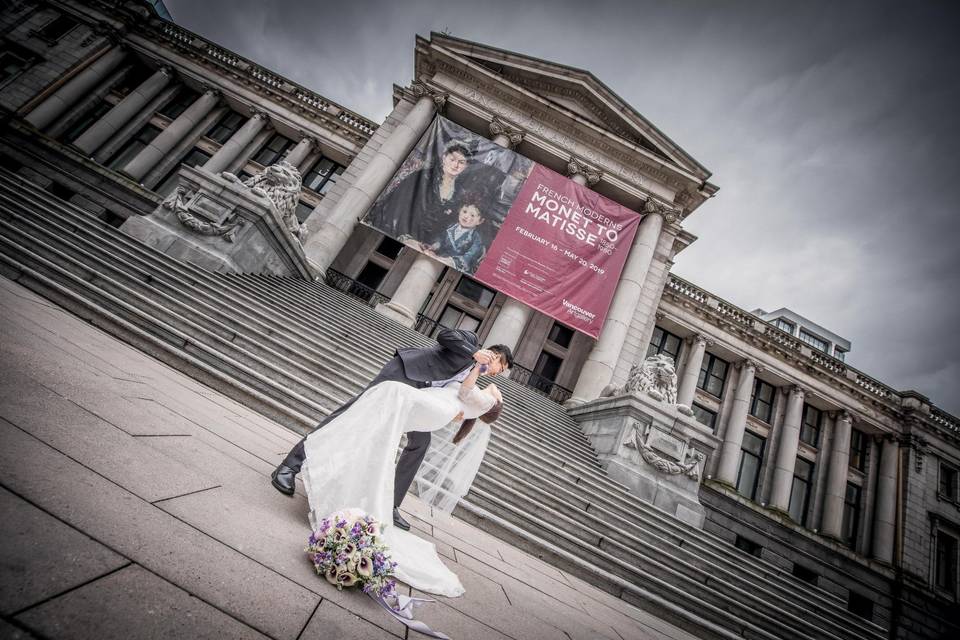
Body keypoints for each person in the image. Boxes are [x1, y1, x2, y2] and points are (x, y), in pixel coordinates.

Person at [271, 328, 513, 530]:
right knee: (351, 414)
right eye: (499, 367)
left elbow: (451, 389)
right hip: (404, 373)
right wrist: (474, 353)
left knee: (421, 443)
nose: (495, 372)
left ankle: (390, 506)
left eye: (499, 372)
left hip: (414, 398)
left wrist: (455, 412)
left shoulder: (474, 372)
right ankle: (289, 467)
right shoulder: (471, 342)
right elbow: (445, 335)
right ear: (495, 355)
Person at [300, 362, 503, 596]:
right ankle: (346, 478)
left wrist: (478, 366)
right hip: (438, 405)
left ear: (495, 404)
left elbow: (465, 391)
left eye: (500, 395)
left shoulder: (487, 401)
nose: (498, 388)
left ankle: (347, 481)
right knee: (389, 399)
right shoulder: (480, 397)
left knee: (393, 391)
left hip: (438, 408)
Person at [363, 141, 473, 245]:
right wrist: (404, 236)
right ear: (444, 157)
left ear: (466, 166)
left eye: (461, 162)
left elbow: (449, 224)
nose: (456, 165)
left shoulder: (460, 192)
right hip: (396, 231)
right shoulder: (423, 176)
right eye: (452, 159)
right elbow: (398, 204)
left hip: (426, 242)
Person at [421, 200, 488, 274]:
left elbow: (468, 257)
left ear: (480, 221)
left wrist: (448, 261)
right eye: (464, 211)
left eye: (472, 215)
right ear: (459, 210)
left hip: (455, 268)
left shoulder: (476, 239)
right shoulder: (452, 226)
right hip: (440, 257)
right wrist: (434, 246)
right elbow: (442, 238)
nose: (466, 216)